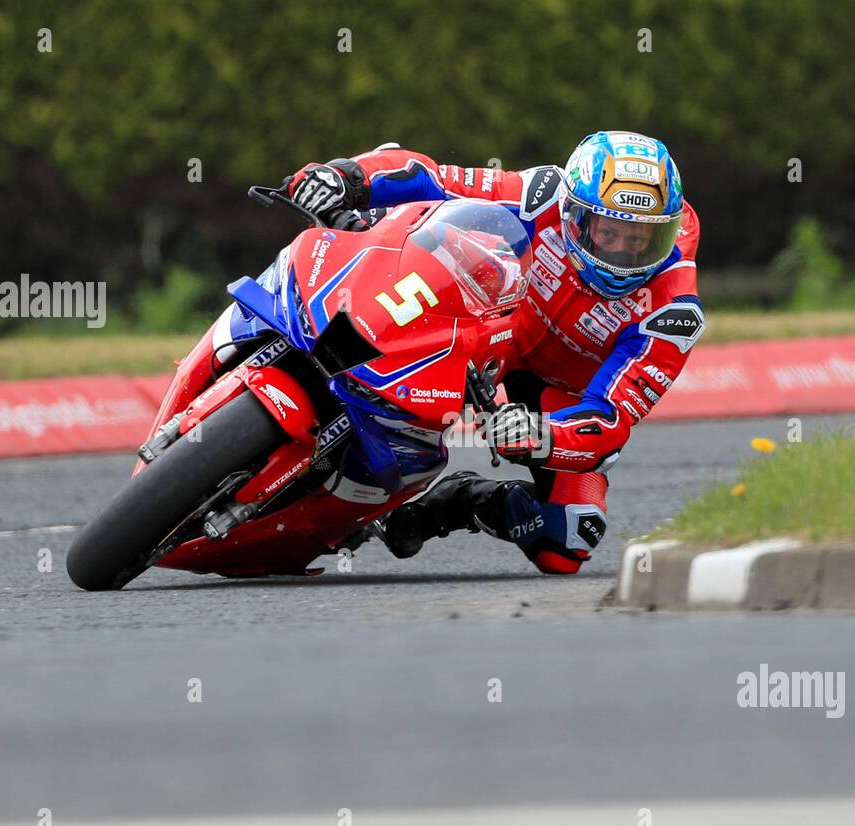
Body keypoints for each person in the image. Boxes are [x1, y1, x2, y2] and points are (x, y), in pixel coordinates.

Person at [284, 131, 704, 574]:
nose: (621, 254)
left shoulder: (673, 313)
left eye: (641, 240)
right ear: (574, 215)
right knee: (399, 257)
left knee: (569, 539)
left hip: (556, 396)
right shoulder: (541, 195)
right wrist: (347, 178)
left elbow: (610, 419)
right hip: (482, 328)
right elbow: (434, 177)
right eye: (609, 232)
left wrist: (545, 436)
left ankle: (456, 502)